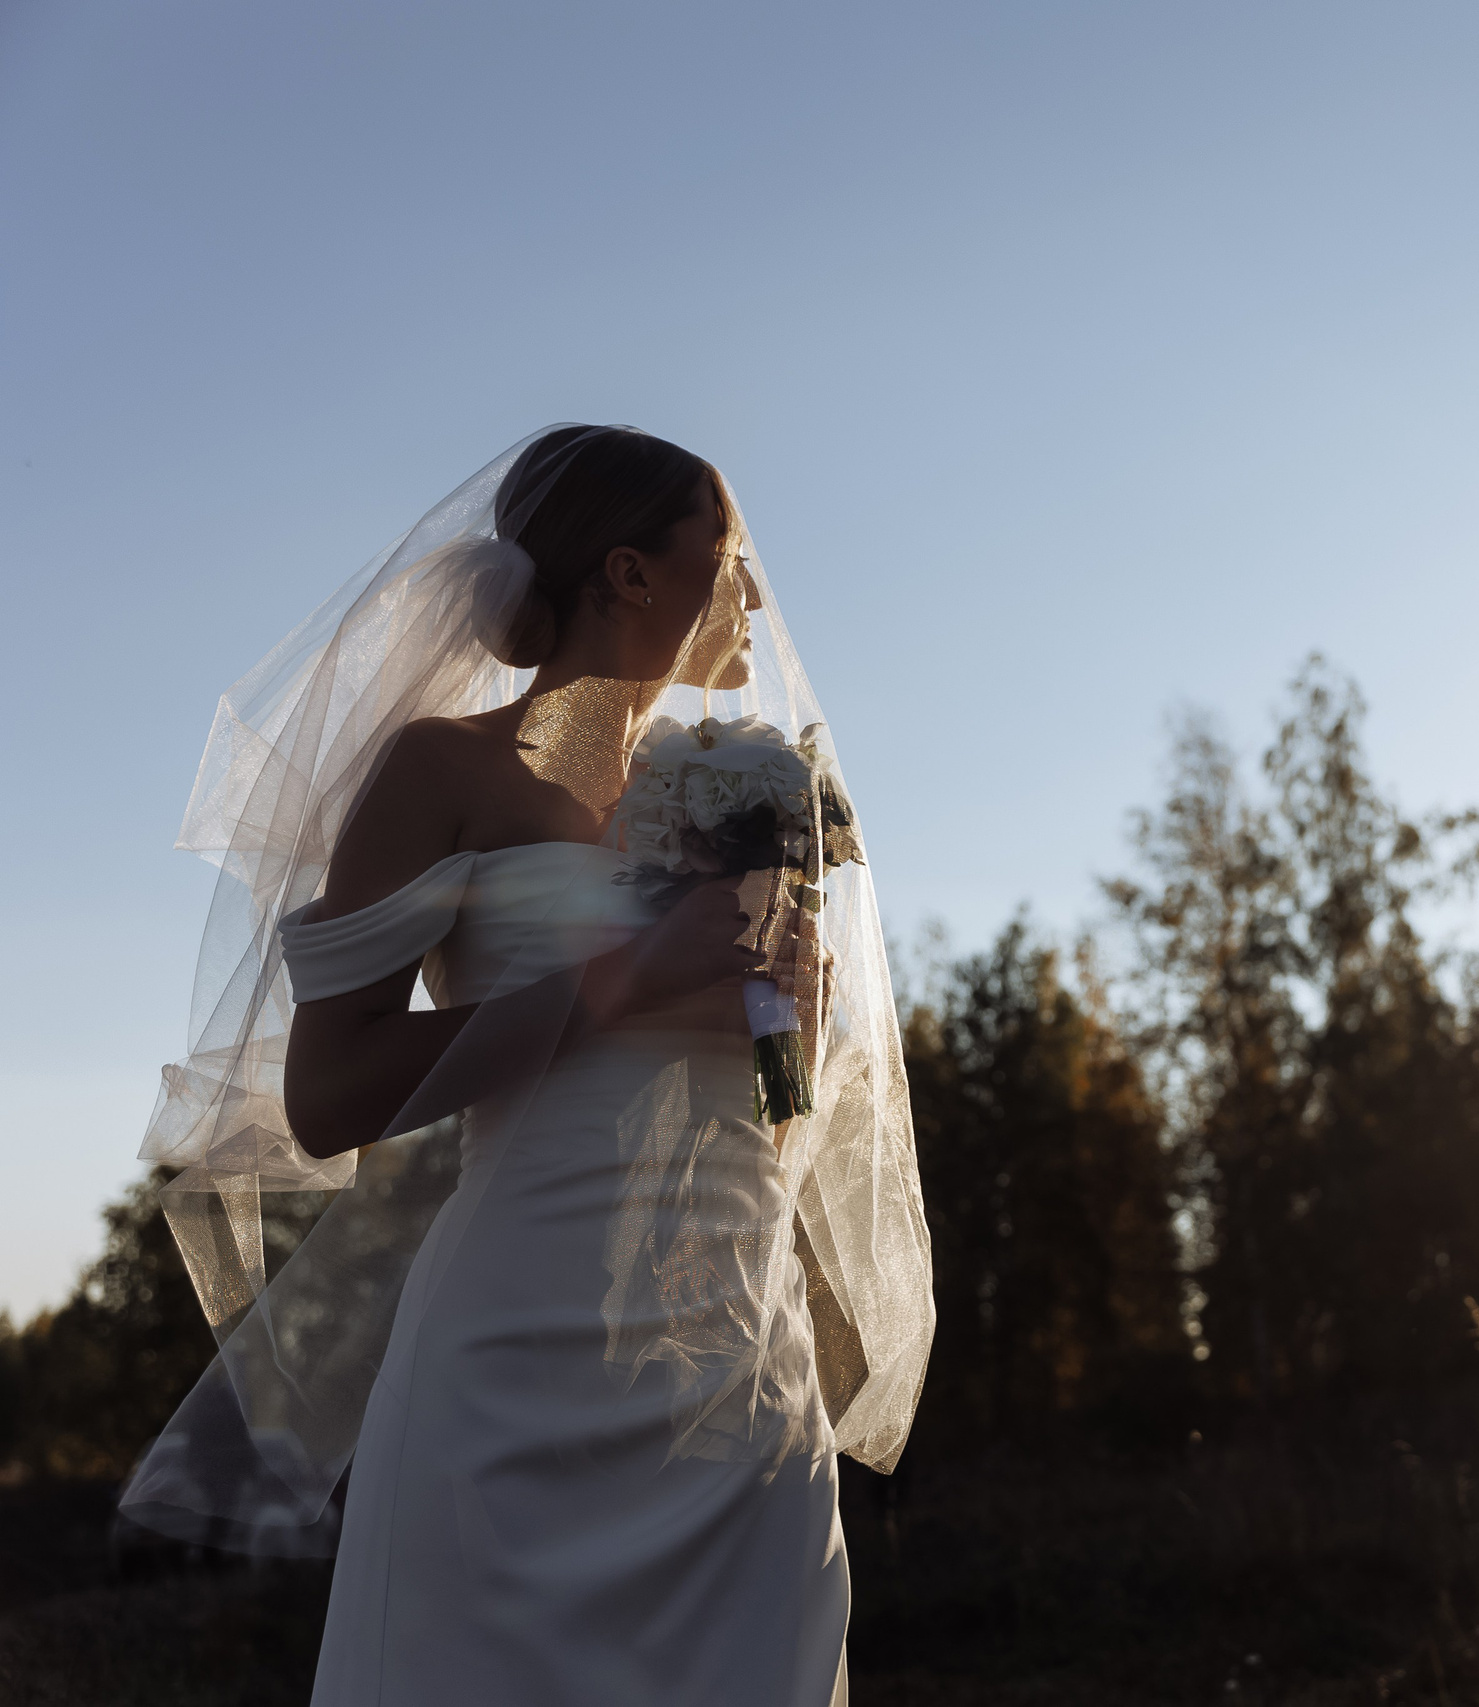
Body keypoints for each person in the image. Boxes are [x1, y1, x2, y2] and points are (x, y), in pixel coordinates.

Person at [119, 427, 934, 1707]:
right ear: (627, 572)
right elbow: (327, 1101)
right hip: (517, 1354)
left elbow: (781, 1098)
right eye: (725, 558)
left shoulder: (753, 795)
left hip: (735, 1357)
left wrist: (791, 1013)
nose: (757, 597)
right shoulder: (445, 769)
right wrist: (617, 981)